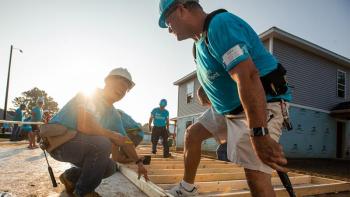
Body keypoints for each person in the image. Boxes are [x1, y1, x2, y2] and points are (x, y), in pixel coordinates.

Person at [158, 1, 292, 196]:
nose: (168, 29)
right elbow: (220, 76)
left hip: (261, 100)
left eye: (167, 20)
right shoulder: (198, 46)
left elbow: (248, 76)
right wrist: (208, 91)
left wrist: (259, 133)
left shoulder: (219, 25)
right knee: (192, 135)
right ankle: (187, 188)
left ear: (181, 8)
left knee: (256, 175)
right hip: (228, 109)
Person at [47, 68, 149, 197]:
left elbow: (125, 140)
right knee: (103, 143)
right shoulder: (89, 95)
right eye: (120, 84)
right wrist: (111, 135)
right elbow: (84, 124)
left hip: (78, 146)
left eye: (126, 89)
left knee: (110, 167)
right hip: (57, 144)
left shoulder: (113, 115)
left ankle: (70, 177)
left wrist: (139, 162)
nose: (122, 90)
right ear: (108, 82)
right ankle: (83, 192)